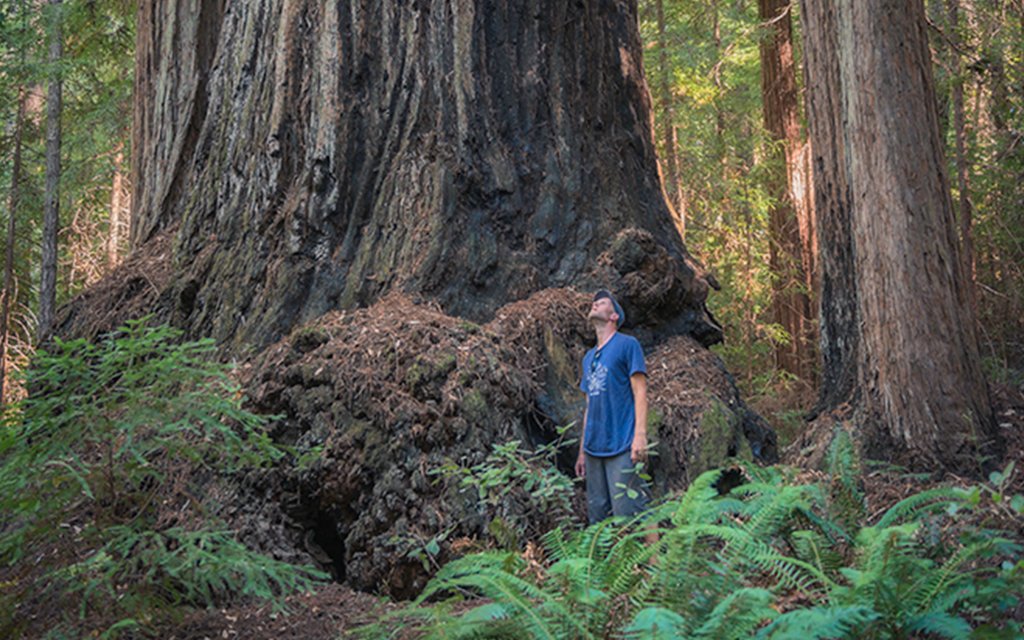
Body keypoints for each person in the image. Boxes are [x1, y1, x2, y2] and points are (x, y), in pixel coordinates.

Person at [575, 289, 651, 524]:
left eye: (603, 301)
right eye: (594, 300)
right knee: (598, 517)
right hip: (593, 448)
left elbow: (640, 391)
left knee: (627, 513)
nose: (595, 303)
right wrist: (581, 451)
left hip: (622, 444)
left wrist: (640, 436)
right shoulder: (588, 358)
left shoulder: (627, 345)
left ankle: (645, 561)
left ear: (614, 316)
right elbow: (589, 405)